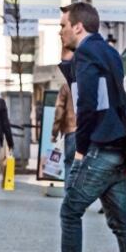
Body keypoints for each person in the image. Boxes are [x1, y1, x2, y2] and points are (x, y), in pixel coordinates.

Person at [26, 2, 126, 252]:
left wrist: (81, 147)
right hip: (119, 145)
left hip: (101, 146)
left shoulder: (87, 53)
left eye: (64, 25)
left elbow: (89, 102)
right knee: (121, 221)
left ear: (79, 26)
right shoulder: (109, 52)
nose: (60, 31)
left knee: (70, 210)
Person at [51, 48, 77, 180]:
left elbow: (59, 111)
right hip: (87, 131)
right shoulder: (87, 82)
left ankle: (69, 196)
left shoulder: (66, 87)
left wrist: (54, 133)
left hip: (71, 131)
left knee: (69, 163)